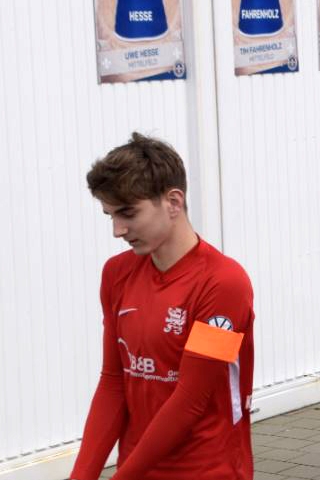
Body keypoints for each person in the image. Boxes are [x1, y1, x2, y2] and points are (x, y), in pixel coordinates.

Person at [71, 133, 254, 480]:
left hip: (206, 470)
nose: (118, 230)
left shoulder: (225, 283)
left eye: (127, 213)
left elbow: (191, 400)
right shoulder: (116, 274)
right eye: (110, 216)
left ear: (173, 202)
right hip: (136, 468)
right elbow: (114, 381)